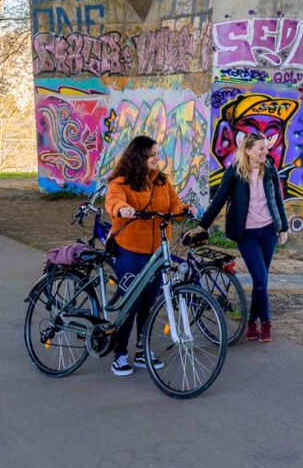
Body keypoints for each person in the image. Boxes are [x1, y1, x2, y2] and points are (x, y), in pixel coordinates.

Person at [103, 135, 190, 377]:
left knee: (149, 302)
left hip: (156, 251)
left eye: (157, 154)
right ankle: (120, 353)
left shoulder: (162, 181)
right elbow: (112, 200)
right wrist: (122, 208)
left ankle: (143, 349)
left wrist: (184, 210)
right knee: (130, 300)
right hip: (130, 248)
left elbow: (174, 204)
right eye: (152, 154)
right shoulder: (122, 181)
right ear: (139, 156)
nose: (156, 158)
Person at [190, 131, 289, 343]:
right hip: (247, 234)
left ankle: (252, 322)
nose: (266, 151)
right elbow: (218, 200)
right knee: (261, 279)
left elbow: (277, 200)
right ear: (249, 150)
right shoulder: (235, 172)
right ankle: (266, 323)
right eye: (261, 148)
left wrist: (283, 228)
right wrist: (202, 226)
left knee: (260, 281)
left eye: (266, 147)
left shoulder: (270, 169)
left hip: (268, 232)